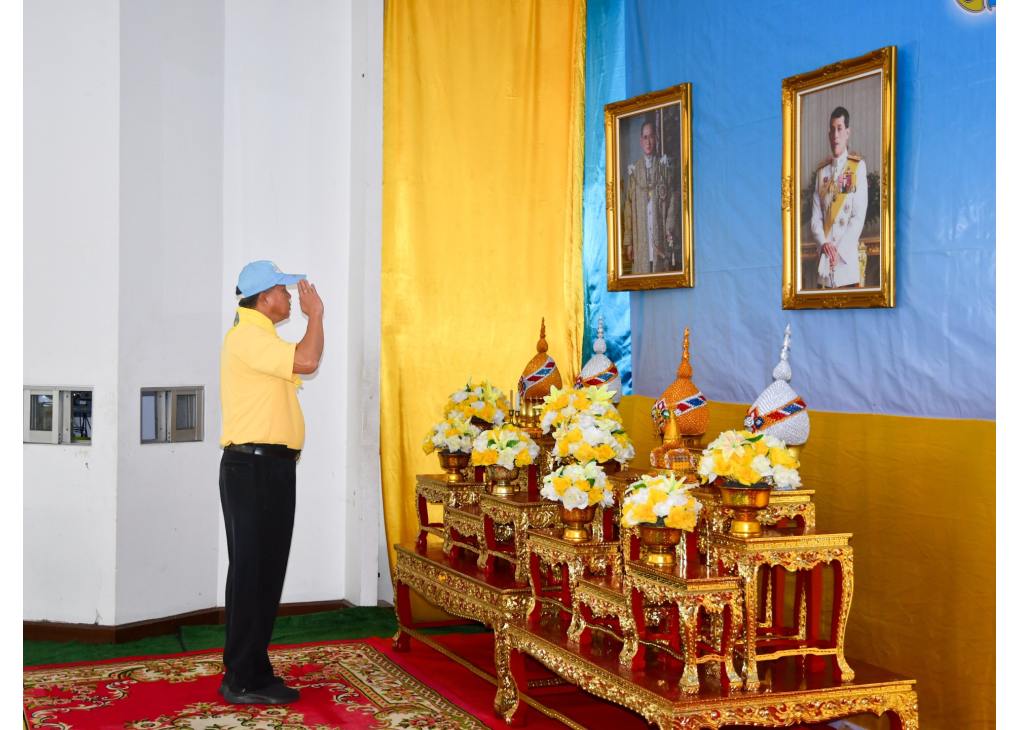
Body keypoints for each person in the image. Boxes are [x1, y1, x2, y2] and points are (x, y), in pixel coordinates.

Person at [217, 260, 324, 705]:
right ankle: (242, 678)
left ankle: (251, 670)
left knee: (262, 572)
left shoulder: (258, 336)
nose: (290, 296)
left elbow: (301, 361)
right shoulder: (249, 337)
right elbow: (308, 360)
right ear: (265, 299)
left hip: (265, 469)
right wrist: (316, 315)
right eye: (283, 289)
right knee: (253, 572)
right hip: (254, 470)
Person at [809, 106, 868, 288]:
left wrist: (838, 253)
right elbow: (816, 219)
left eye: (840, 129)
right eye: (832, 129)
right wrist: (824, 245)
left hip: (846, 269)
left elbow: (858, 218)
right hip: (825, 270)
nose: (836, 135)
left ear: (847, 132)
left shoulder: (857, 168)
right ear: (829, 134)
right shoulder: (822, 173)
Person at [622, 119, 679, 274]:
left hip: (659, 232)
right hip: (641, 235)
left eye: (651, 136)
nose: (648, 141)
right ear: (641, 140)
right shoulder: (634, 171)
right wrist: (629, 243)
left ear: (656, 139)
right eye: (645, 137)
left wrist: (669, 227)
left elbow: (672, 200)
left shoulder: (663, 167)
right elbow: (628, 209)